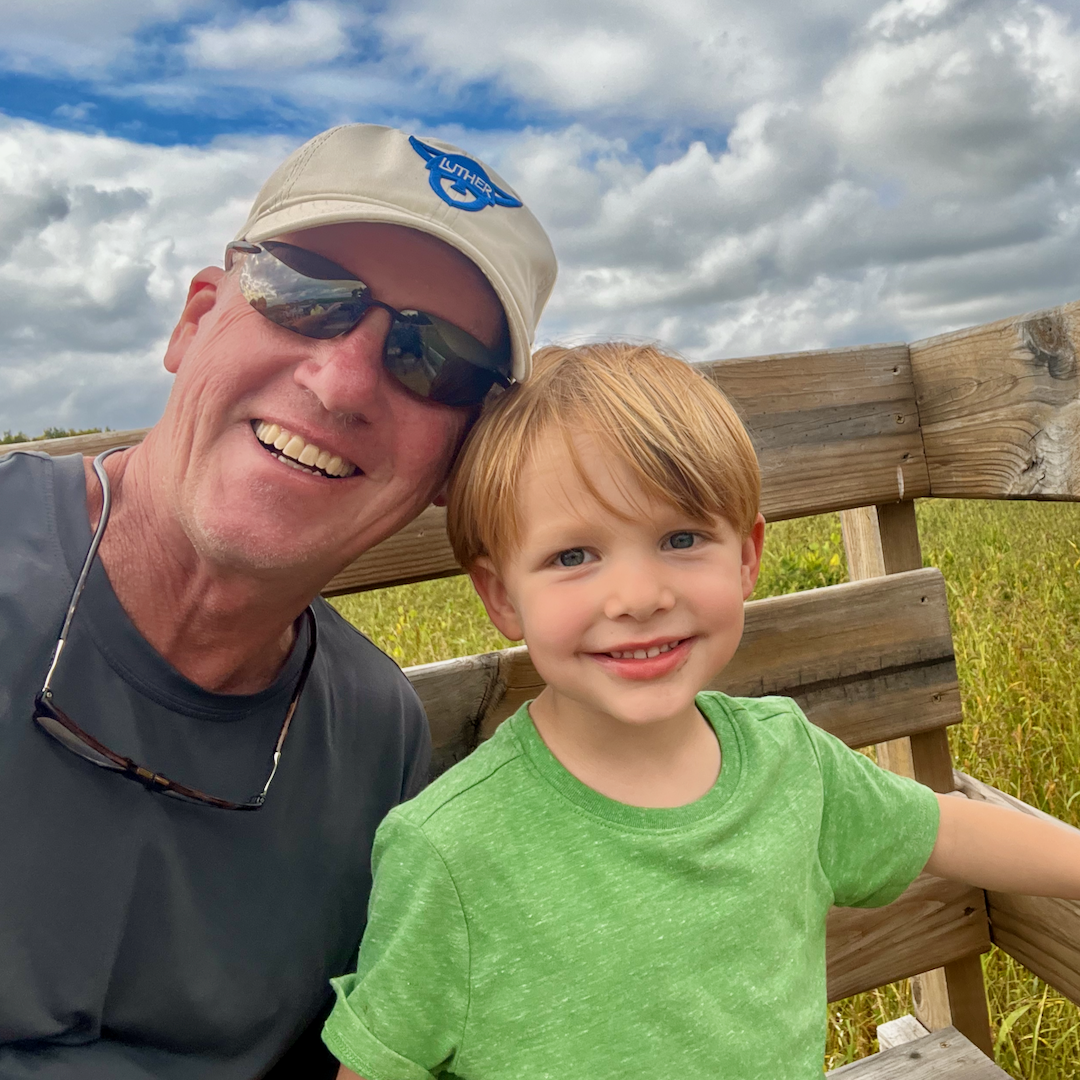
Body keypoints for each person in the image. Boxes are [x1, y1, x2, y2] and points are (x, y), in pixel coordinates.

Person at [322, 343, 1080, 1080]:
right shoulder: (451, 849)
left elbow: (943, 827)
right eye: (573, 557)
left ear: (746, 557)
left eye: (681, 538)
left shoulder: (788, 761)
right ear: (499, 595)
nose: (640, 597)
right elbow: (382, 1062)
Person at [0, 124, 557, 1079]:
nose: (343, 382)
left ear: (452, 464)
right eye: (306, 294)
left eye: (439, 359)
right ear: (196, 319)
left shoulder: (376, 739)